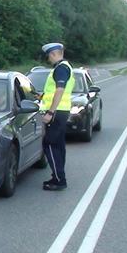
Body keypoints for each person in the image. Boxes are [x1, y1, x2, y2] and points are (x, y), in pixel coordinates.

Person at [40, 42, 75, 191]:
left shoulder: (61, 68)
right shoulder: (66, 67)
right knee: (59, 145)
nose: (48, 59)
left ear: (54, 54)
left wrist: (50, 112)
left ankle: (59, 180)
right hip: (62, 111)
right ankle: (58, 177)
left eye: (49, 56)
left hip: (57, 112)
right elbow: (53, 91)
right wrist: (41, 96)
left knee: (49, 144)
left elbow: (59, 91)